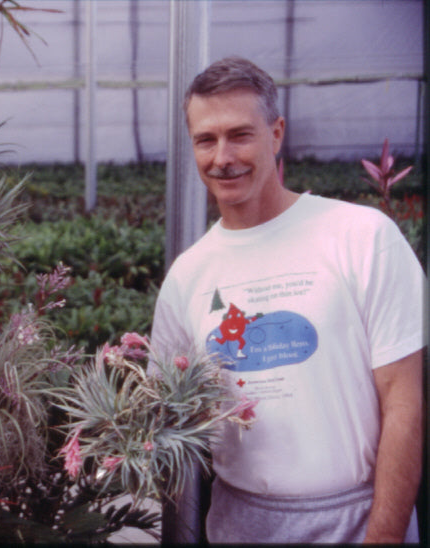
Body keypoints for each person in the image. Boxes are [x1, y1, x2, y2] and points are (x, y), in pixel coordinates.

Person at [149, 56, 425, 543]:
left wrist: (383, 536)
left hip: (358, 518)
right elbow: (167, 417)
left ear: (276, 134)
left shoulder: (360, 236)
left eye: (240, 135)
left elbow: (404, 403)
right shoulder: (188, 276)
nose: (222, 157)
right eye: (205, 140)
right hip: (240, 522)